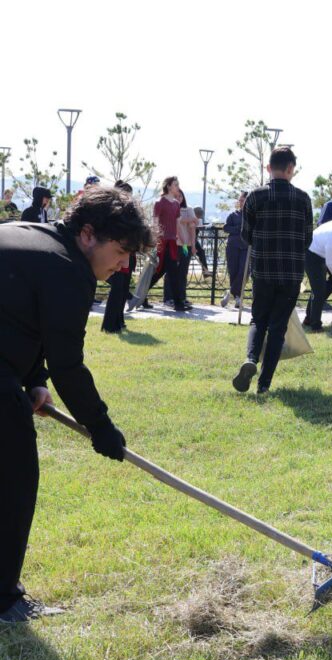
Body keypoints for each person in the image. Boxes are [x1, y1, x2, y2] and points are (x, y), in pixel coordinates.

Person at [0, 187, 153, 623]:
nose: (124, 265)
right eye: (120, 252)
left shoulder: (27, 235)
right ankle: (4, 600)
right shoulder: (68, 269)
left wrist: (33, 380)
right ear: (88, 234)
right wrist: (100, 426)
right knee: (14, 479)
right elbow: (67, 363)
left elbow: (20, 317)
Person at [232, 147, 313, 394]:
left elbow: (246, 235)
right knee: (278, 327)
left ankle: (250, 358)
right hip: (291, 273)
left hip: (263, 270)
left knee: (258, 319)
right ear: (290, 169)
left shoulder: (255, 197)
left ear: (268, 168)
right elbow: (307, 238)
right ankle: (264, 384)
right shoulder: (303, 199)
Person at [101, 181, 137, 333]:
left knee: (122, 289)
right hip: (117, 252)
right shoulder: (113, 210)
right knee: (117, 289)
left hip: (128, 252)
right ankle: (110, 324)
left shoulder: (128, 210)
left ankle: (119, 320)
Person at [150, 177, 187, 311]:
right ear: (169, 186)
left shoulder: (176, 204)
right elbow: (154, 223)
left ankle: (142, 296)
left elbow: (178, 225)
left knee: (161, 272)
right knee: (172, 272)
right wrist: (155, 241)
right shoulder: (159, 202)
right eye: (175, 184)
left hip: (172, 243)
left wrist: (183, 241)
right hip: (162, 242)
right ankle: (178, 304)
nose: (178, 187)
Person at [221, 191, 248, 308]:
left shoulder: (252, 216)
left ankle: (230, 292)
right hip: (233, 246)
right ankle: (237, 298)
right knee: (233, 271)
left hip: (246, 247)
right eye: (240, 200)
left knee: (244, 271)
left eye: (243, 200)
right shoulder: (233, 215)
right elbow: (226, 228)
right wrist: (239, 228)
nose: (240, 202)